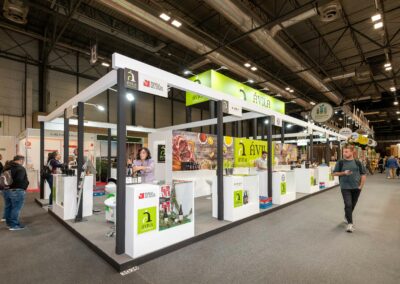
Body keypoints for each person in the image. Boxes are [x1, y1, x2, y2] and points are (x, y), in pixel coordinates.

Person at [332, 144, 366, 233]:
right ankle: (350, 224)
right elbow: (334, 173)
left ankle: (347, 216)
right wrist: (344, 173)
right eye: (343, 151)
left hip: (356, 187)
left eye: (346, 151)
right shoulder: (340, 162)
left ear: (352, 152)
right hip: (345, 187)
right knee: (348, 204)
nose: (344, 153)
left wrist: (361, 186)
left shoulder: (358, 162)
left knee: (352, 205)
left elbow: (363, 174)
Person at [3, 155, 29, 230]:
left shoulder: (7, 166)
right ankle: (14, 225)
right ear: (21, 160)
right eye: (23, 161)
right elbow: (19, 180)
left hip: (6, 190)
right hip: (17, 190)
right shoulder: (20, 168)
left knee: (8, 207)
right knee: (16, 208)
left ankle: (9, 224)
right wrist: (24, 187)